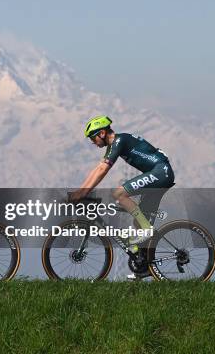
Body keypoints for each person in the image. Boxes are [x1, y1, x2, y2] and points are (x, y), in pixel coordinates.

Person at [69, 116, 175, 279]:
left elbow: (103, 170)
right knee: (138, 221)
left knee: (119, 193)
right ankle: (143, 267)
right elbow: (98, 168)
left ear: (102, 133)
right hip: (159, 173)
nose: (92, 142)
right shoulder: (115, 145)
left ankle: (147, 230)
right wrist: (81, 191)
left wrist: (82, 193)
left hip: (161, 172)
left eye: (93, 138)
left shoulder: (119, 141)